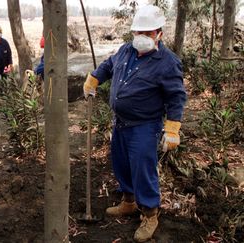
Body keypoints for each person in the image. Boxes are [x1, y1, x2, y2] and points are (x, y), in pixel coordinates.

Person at [83, 5, 187, 242]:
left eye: (148, 33)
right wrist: (94, 78)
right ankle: (128, 202)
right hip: (121, 123)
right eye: (138, 32)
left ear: (159, 33)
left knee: (143, 169)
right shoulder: (126, 50)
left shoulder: (168, 62)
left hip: (145, 126)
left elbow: (176, 97)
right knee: (121, 163)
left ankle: (150, 213)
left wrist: (172, 128)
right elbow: (109, 66)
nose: (142, 38)